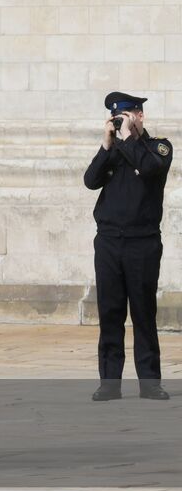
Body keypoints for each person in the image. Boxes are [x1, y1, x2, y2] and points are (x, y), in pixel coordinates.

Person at [84, 91, 172, 401]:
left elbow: (149, 168)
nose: (122, 122)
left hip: (142, 242)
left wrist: (127, 139)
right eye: (117, 117)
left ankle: (150, 383)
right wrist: (107, 144)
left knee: (144, 313)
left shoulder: (157, 147)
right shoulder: (114, 150)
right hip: (108, 242)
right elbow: (90, 180)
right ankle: (109, 383)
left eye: (127, 116)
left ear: (140, 116)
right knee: (110, 313)